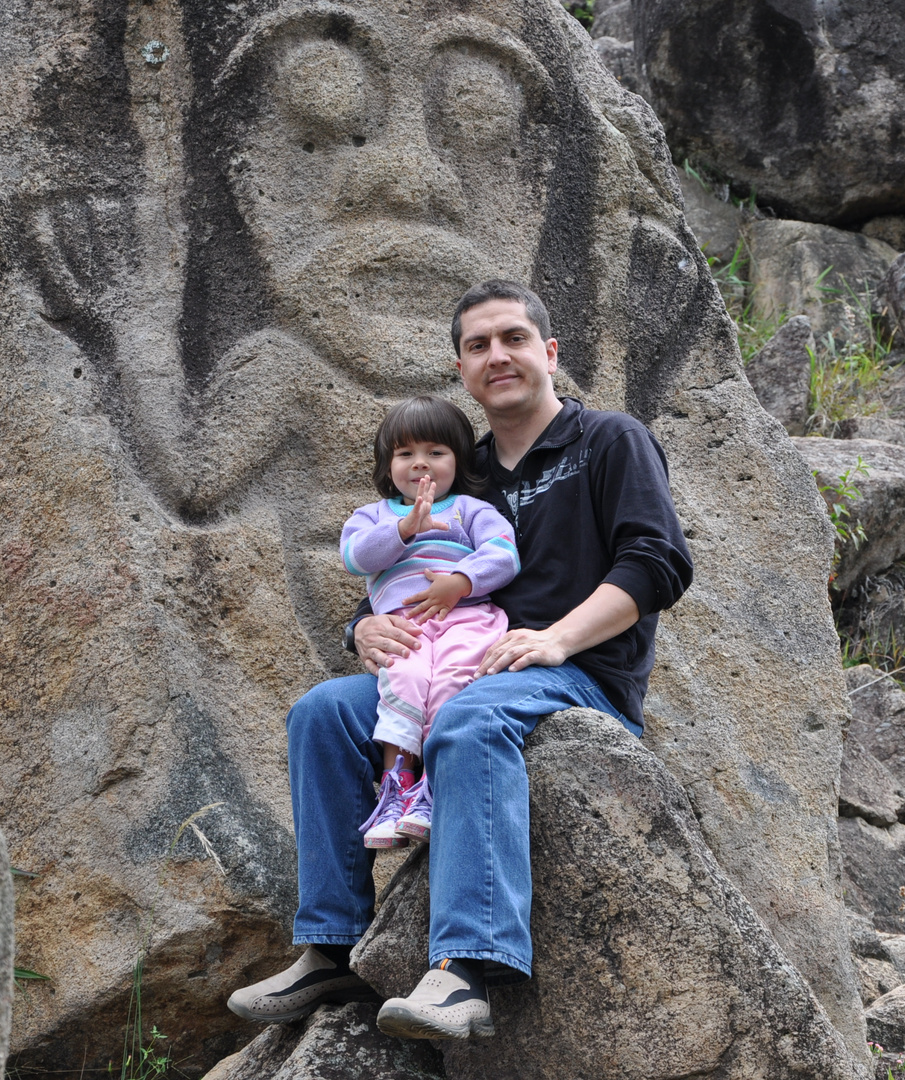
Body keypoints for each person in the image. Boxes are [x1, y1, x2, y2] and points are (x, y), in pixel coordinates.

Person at [227, 279, 693, 1040]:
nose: (497, 355)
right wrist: (362, 631)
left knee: (472, 719)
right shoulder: (458, 468)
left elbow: (657, 563)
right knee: (321, 713)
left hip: (576, 673)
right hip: (455, 660)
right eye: (478, 345)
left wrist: (557, 639)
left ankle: (465, 968)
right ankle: (330, 945)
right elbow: (408, 571)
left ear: (548, 351)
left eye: (513, 338)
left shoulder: (608, 440)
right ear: (461, 368)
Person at [340, 395, 519, 849]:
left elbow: (503, 554)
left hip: (466, 618)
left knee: (454, 683)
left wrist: (459, 581)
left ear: (458, 460)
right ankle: (397, 785)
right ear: (387, 464)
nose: (421, 464)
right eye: (405, 454)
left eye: (436, 453)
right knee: (404, 680)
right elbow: (354, 557)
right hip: (404, 627)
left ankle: (434, 787)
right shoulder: (374, 516)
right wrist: (405, 529)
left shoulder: (469, 510)